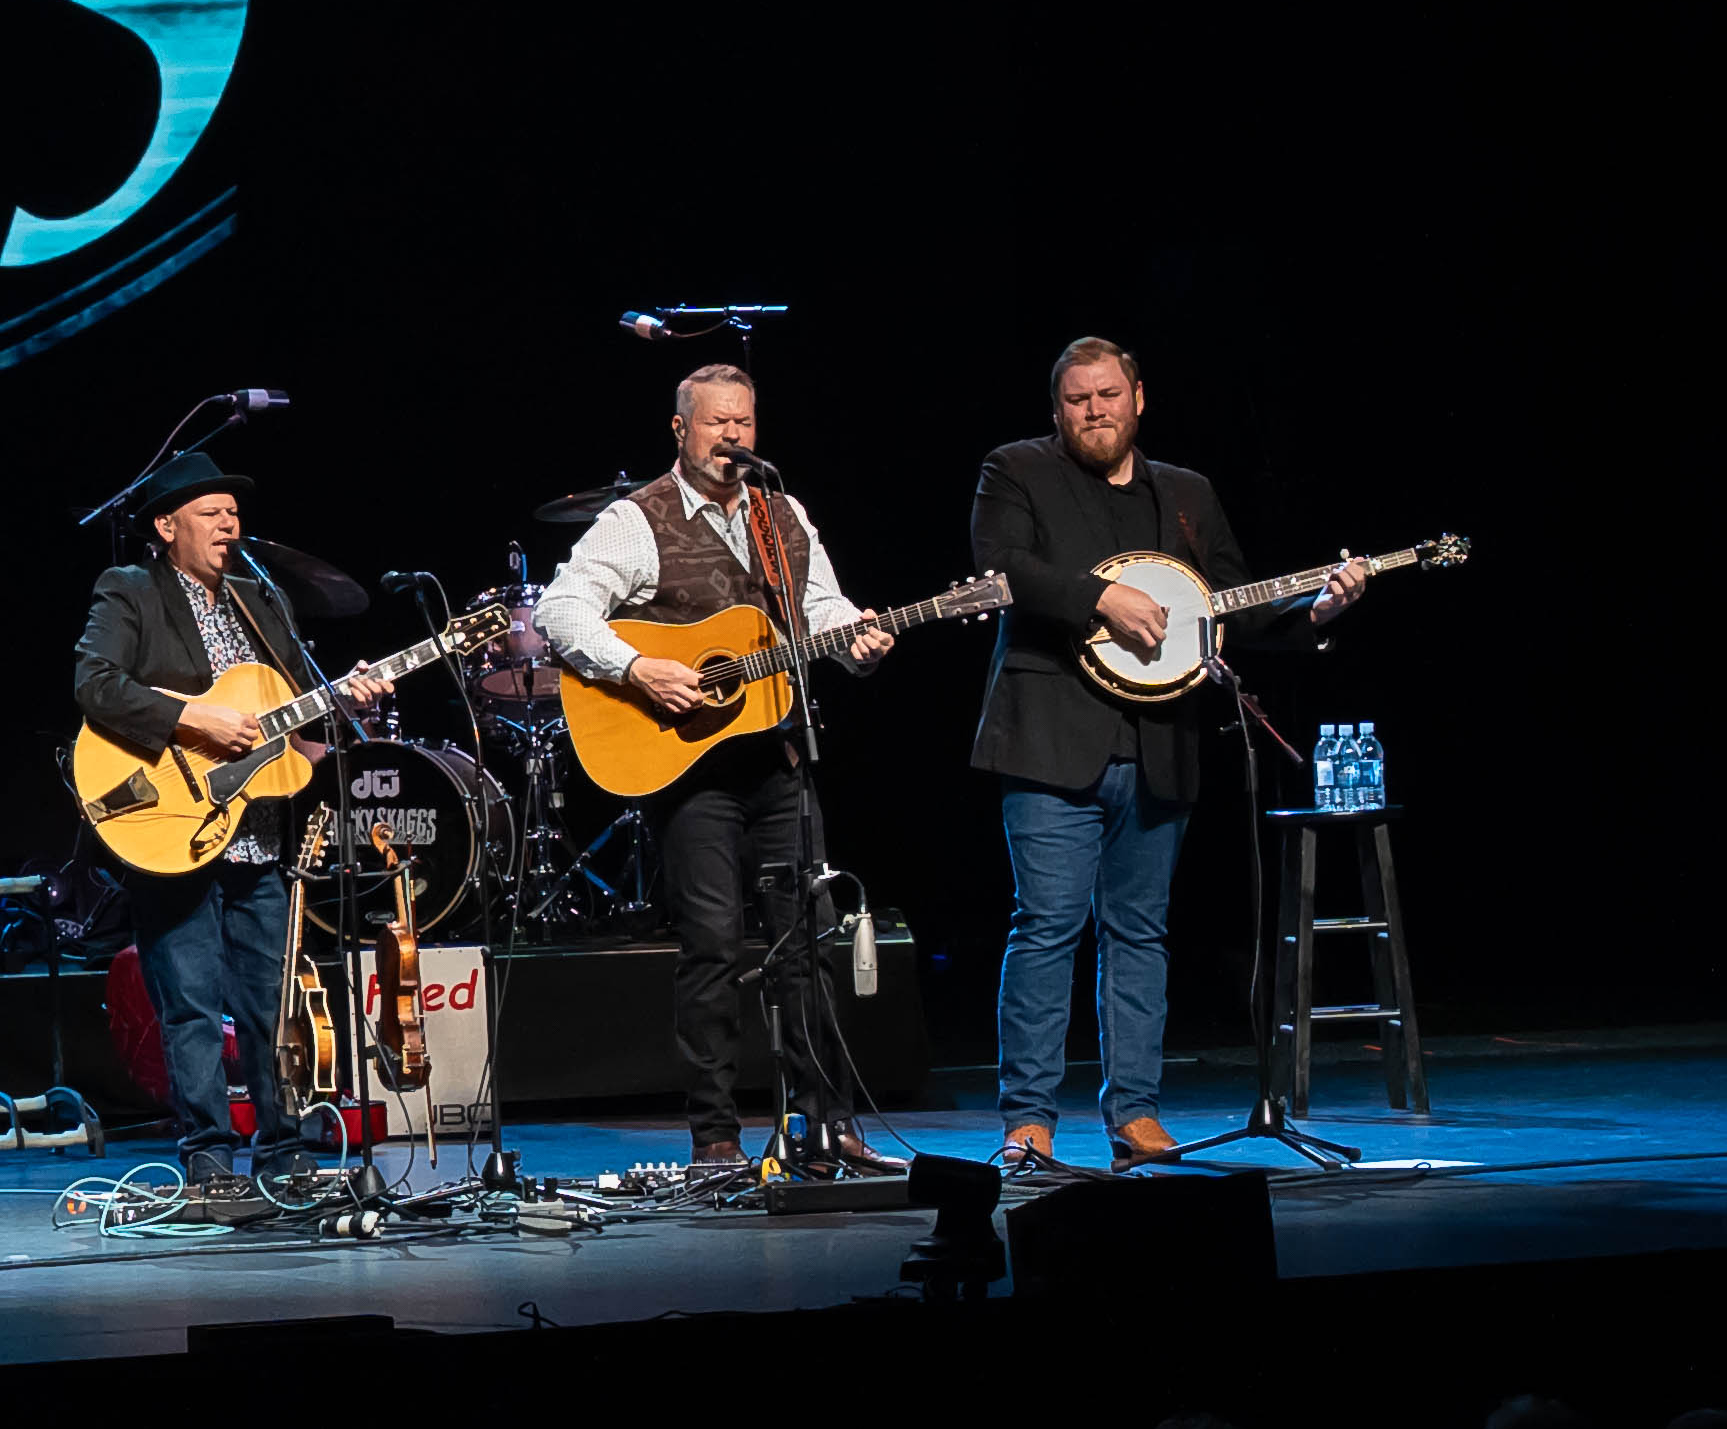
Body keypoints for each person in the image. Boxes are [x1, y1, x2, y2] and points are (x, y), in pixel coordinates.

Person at [967, 337, 1361, 1172]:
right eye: (1077, 399)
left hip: (1161, 746)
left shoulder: (1187, 493)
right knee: (1045, 929)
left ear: (1138, 396)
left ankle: (1135, 1114)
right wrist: (1102, 596)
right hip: (1050, 741)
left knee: (1140, 933)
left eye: (1108, 394)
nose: (1094, 410)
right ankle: (1029, 1121)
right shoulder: (1016, 471)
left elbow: (1230, 609)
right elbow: (1002, 567)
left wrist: (1315, 612)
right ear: (1056, 408)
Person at [542, 367, 905, 1177]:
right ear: (680, 430)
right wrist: (638, 667)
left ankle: (825, 1123)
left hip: (778, 754)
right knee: (710, 947)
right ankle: (713, 1136)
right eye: (716, 423)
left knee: (805, 940)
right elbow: (560, 610)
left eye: (743, 422)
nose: (733, 436)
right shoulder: (637, 519)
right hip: (691, 768)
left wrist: (859, 637)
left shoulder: (784, 513)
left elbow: (820, 611)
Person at [69, 455, 394, 1220]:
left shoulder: (262, 602)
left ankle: (281, 1153)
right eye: (210, 512)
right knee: (190, 1006)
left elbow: (286, 721)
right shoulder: (132, 590)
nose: (228, 524)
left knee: (271, 1006)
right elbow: (94, 682)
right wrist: (194, 717)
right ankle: (210, 1159)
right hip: (171, 825)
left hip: (257, 833)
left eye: (233, 513)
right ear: (164, 524)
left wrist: (345, 699)